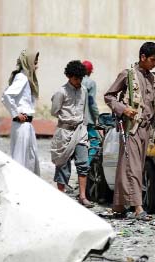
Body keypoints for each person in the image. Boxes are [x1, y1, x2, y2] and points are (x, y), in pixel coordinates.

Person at [104, 42, 155, 220]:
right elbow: (109, 96)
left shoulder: (152, 78)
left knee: (127, 167)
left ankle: (118, 205)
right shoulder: (128, 74)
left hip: (147, 130)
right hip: (132, 128)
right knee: (133, 167)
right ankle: (138, 208)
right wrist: (123, 109)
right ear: (143, 57)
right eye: (153, 60)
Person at [50, 60, 93, 208]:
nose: (78, 81)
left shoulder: (84, 91)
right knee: (62, 164)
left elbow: (85, 110)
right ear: (69, 76)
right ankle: (60, 197)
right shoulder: (61, 92)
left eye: (81, 78)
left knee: (83, 163)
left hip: (80, 131)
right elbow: (54, 111)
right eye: (76, 78)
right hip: (65, 131)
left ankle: (82, 196)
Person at [1, 49, 40, 175]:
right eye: (35, 62)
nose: (37, 65)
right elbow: (6, 95)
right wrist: (15, 114)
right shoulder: (22, 77)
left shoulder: (26, 78)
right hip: (21, 124)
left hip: (27, 125)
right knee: (20, 159)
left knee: (29, 158)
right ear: (28, 62)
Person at [81, 60, 100, 165]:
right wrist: (97, 116)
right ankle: (86, 167)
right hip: (88, 120)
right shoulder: (90, 83)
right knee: (95, 142)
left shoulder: (76, 81)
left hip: (77, 119)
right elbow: (91, 102)